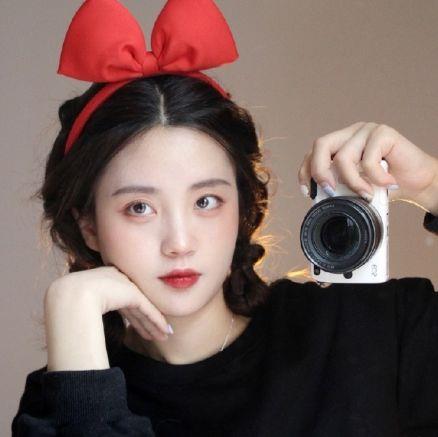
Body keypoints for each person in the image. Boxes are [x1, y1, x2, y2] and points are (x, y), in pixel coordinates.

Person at [11, 1, 438, 436]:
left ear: (244, 205)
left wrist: (431, 186)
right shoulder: (69, 391)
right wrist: (72, 312)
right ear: (88, 226)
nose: (179, 242)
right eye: (139, 208)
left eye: (206, 201)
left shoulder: (370, 329)